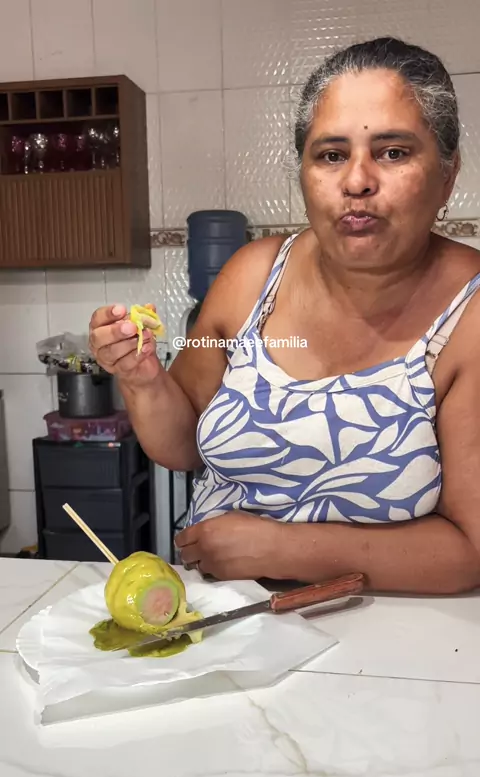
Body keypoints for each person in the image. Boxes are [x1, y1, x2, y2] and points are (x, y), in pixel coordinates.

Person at [89, 36, 480, 595]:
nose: (357, 181)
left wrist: (284, 548)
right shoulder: (251, 277)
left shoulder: (470, 314)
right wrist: (141, 377)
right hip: (222, 616)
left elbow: (470, 550)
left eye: (393, 152)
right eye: (331, 154)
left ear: (447, 174)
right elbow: (181, 447)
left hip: (391, 629)